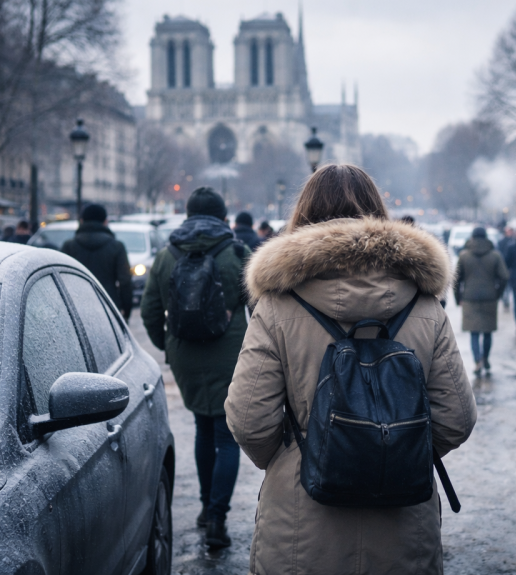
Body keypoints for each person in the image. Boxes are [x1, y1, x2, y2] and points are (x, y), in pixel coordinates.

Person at [225, 164, 476, 575]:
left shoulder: (275, 306)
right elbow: (457, 419)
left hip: (301, 523)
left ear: (302, 217)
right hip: (403, 526)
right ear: (377, 214)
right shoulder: (426, 305)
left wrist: (299, 456)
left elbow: (250, 419)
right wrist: (394, 448)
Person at [141, 187, 250, 549]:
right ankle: (218, 516)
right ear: (223, 217)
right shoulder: (236, 253)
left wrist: (169, 346)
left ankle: (205, 506)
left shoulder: (166, 255)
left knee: (203, 429)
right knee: (226, 435)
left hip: (185, 353)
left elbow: (150, 313)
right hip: (230, 352)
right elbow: (265, 307)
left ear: (186, 215)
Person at [454, 226, 509, 377]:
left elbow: (456, 279)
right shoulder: (495, 255)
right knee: (487, 331)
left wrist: (458, 298)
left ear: (472, 237)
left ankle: (477, 360)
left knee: (474, 332)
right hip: (489, 298)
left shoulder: (464, 255)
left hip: (470, 298)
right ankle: (486, 358)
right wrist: (498, 293)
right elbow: (504, 276)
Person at [61, 204, 132, 320]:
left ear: (82, 221)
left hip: (75, 308)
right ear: (105, 221)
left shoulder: (69, 247)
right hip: (108, 306)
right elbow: (125, 281)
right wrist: (126, 311)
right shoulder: (117, 247)